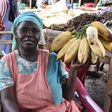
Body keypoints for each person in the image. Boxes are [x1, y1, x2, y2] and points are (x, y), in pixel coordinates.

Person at [0, 12, 83, 112]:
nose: (29, 34)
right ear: (16, 34)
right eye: (23, 30)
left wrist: (73, 70)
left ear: (40, 35)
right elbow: (7, 99)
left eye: (35, 30)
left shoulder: (53, 59)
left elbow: (68, 96)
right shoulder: (7, 63)